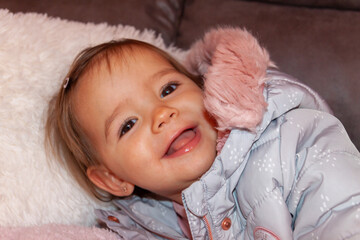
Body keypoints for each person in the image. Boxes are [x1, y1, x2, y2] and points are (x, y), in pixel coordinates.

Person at [46, 27, 360, 240]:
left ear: (205, 87)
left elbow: (346, 211)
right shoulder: (150, 227)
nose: (161, 113)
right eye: (127, 124)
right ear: (113, 179)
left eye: (168, 88)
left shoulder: (291, 140)